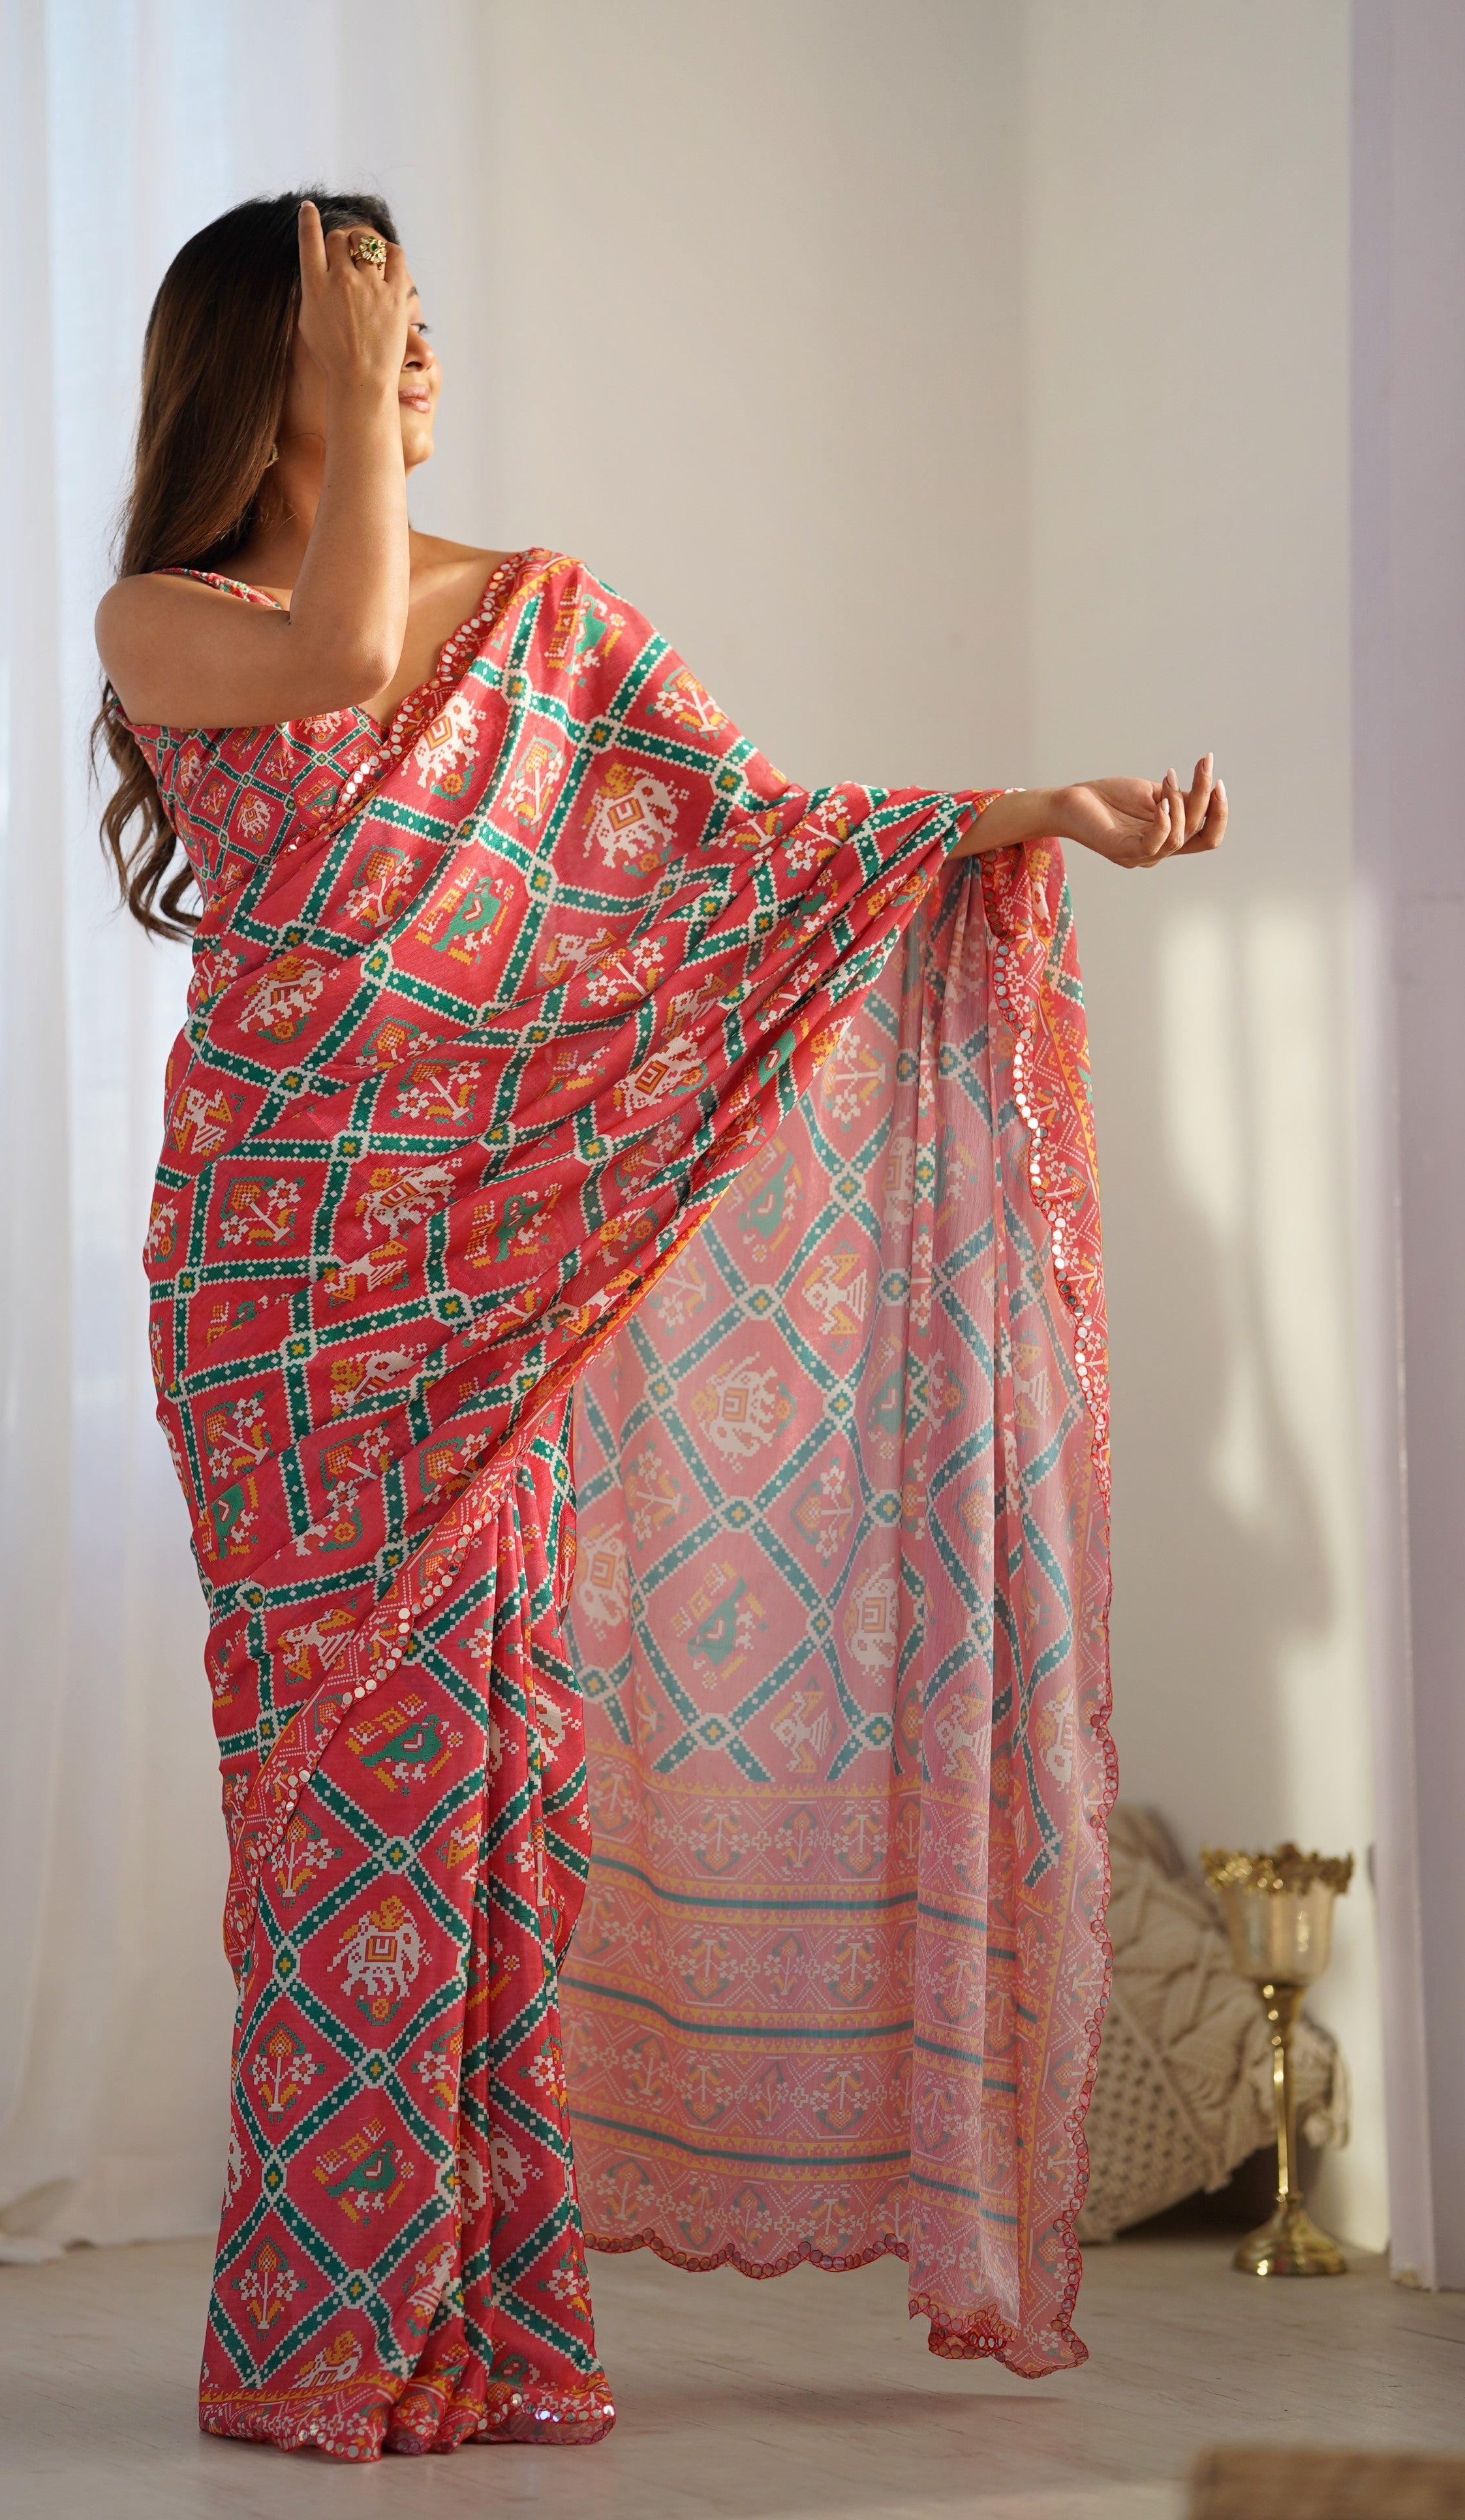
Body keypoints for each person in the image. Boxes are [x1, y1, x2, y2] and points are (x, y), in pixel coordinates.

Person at [93, 188, 1226, 2465]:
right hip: (280, 1293)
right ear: (265, 356)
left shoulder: (549, 626)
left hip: (489, 1278)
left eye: (418, 313)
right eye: (364, 317)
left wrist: (1037, 814)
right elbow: (331, 667)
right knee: (346, 1799)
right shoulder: (169, 616)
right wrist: (345, 416)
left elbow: (760, 850)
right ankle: (320, 2332)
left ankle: (486, 2323)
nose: (418, 349)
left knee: (507, 1790)